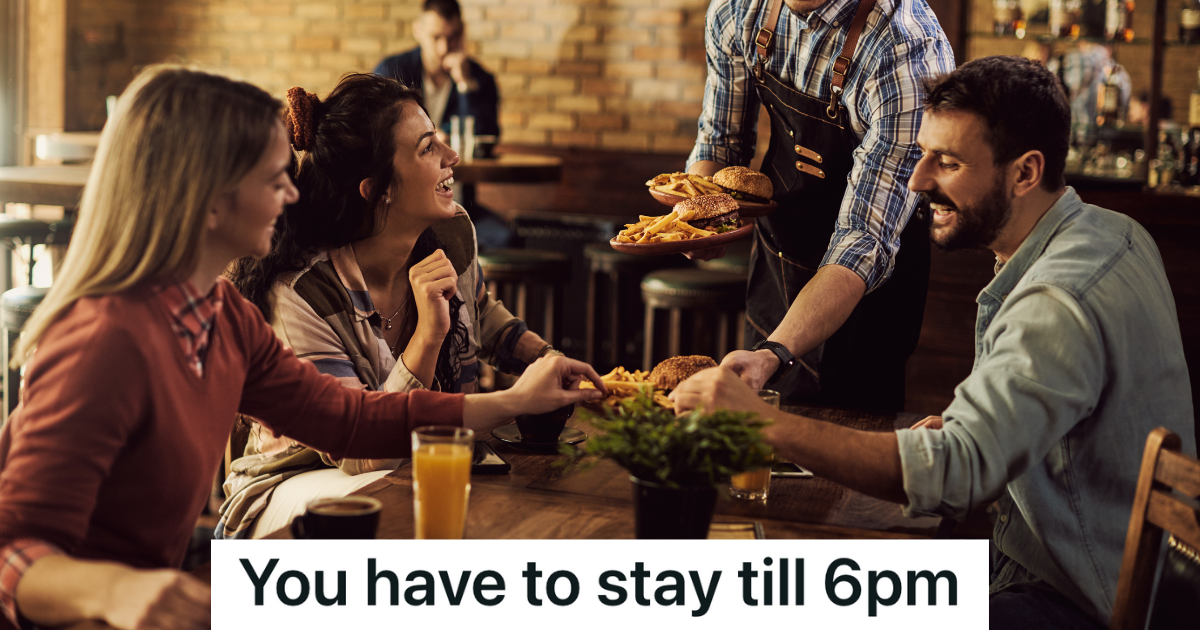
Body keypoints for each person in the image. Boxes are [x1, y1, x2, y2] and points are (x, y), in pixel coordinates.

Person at [0, 65, 604, 630]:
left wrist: (513, 402)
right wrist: (114, 591)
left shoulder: (223, 319)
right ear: (209, 200)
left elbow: (349, 419)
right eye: (273, 180)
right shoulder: (102, 340)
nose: (292, 198)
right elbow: (13, 555)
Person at [674, 56, 1196, 628]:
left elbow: (958, 475)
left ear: (1024, 173)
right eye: (922, 154)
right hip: (1089, 574)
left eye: (946, 163)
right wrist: (971, 425)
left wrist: (760, 424)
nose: (919, 180)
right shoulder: (1114, 232)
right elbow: (1065, 404)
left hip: (1069, 599)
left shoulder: (1054, 300)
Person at [219, 73, 556, 538]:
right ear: (379, 188)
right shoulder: (302, 296)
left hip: (413, 463)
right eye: (427, 148)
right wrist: (428, 337)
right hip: (294, 485)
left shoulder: (451, 234)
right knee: (400, 501)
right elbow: (364, 452)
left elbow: (483, 315)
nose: (451, 157)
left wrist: (546, 359)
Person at [687, 0, 956, 410]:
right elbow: (721, 141)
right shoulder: (739, 8)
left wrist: (773, 353)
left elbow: (862, 239)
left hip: (864, 305)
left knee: (838, 457)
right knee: (753, 457)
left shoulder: (905, 49)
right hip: (778, 268)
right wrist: (697, 218)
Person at [374, 0, 498, 141]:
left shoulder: (481, 79)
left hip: (456, 163)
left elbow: (486, 137)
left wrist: (465, 83)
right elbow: (377, 131)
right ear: (418, 30)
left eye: (453, 37)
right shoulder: (391, 70)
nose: (444, 48)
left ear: (463, 31)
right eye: (436, 37)